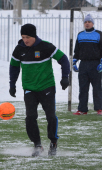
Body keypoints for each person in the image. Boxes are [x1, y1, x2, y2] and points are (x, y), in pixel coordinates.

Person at [9, 23, 70, 157]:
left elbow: (64, 59)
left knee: (51, 117)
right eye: (23, 37)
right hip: (29, 89)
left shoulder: (46, 46)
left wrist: (65, 77)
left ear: (34, 36)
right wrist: (12, 84)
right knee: (30, 117)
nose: (25, 40)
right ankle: (37, 145)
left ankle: (53, 142)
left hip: (47, 87)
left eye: (28, 37)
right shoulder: (19, 49)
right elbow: (14, 67)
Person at [72, 14, 102, 115]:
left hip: (95, 64)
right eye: (85, 22)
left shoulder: (99, 34)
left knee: (97, 87)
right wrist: (74, 62)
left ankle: (98, 108)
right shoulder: (80, 35)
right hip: (83, 65)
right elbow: (77, 51)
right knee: (83, 88)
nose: (87, 23)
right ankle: (82, 109)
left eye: (89, 22)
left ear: (93, 23)